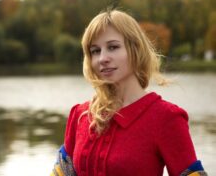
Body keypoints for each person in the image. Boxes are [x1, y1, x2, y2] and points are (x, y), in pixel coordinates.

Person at [51, 9, 207, 176]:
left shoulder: (167, 118)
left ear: (135, 49)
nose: (103, 58)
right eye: (95, 50)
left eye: (113, 47)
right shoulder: (80, 115)